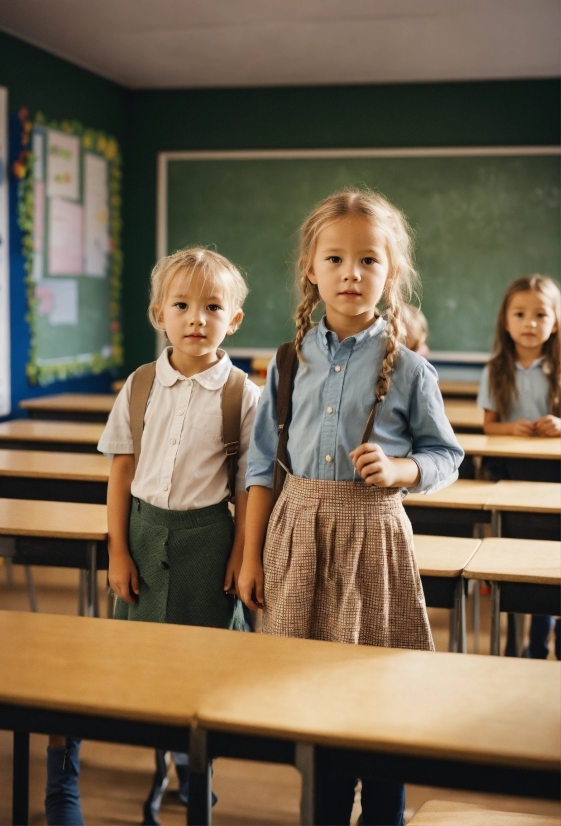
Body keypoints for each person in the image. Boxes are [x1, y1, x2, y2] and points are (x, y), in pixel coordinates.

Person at [239, 188, 464, 826]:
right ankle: (327, 812)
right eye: (335, 259)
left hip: (374, 541)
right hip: (298, 535)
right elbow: (260, 467)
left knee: (378, 688)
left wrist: (402, 469)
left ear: (390, 273)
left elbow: (446, 456)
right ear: (311, 268)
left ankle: (385, 814)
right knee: (312, 694)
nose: (351, 273)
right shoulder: (287, 362)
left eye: (368, 260)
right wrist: (251, 557)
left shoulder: (413, 370)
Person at [45, 247, 260, 826]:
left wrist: (242, 559)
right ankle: (147, 762)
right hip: (142, 535)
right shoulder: (140, 386)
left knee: (201, 666)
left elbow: (247, 490)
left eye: (212, 307)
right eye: (182, 305)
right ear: (157, 313)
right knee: (136, 661)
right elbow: (120, 471)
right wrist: (117, 550)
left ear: (233, 320)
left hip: (209, 541)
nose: (196, 318)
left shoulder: (244, 395)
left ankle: (197, 772)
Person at [477, 275, 561, 660]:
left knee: (552, 564)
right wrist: (511, 428)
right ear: (506, 321)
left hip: (554, 481)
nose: (530, 323)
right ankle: (517, 644)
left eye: (540, 314)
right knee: (517, 565)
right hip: (512, 476)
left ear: (555, 321)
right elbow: (489, 425)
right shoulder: (496, 369)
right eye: (520, 314)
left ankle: (546, 636)